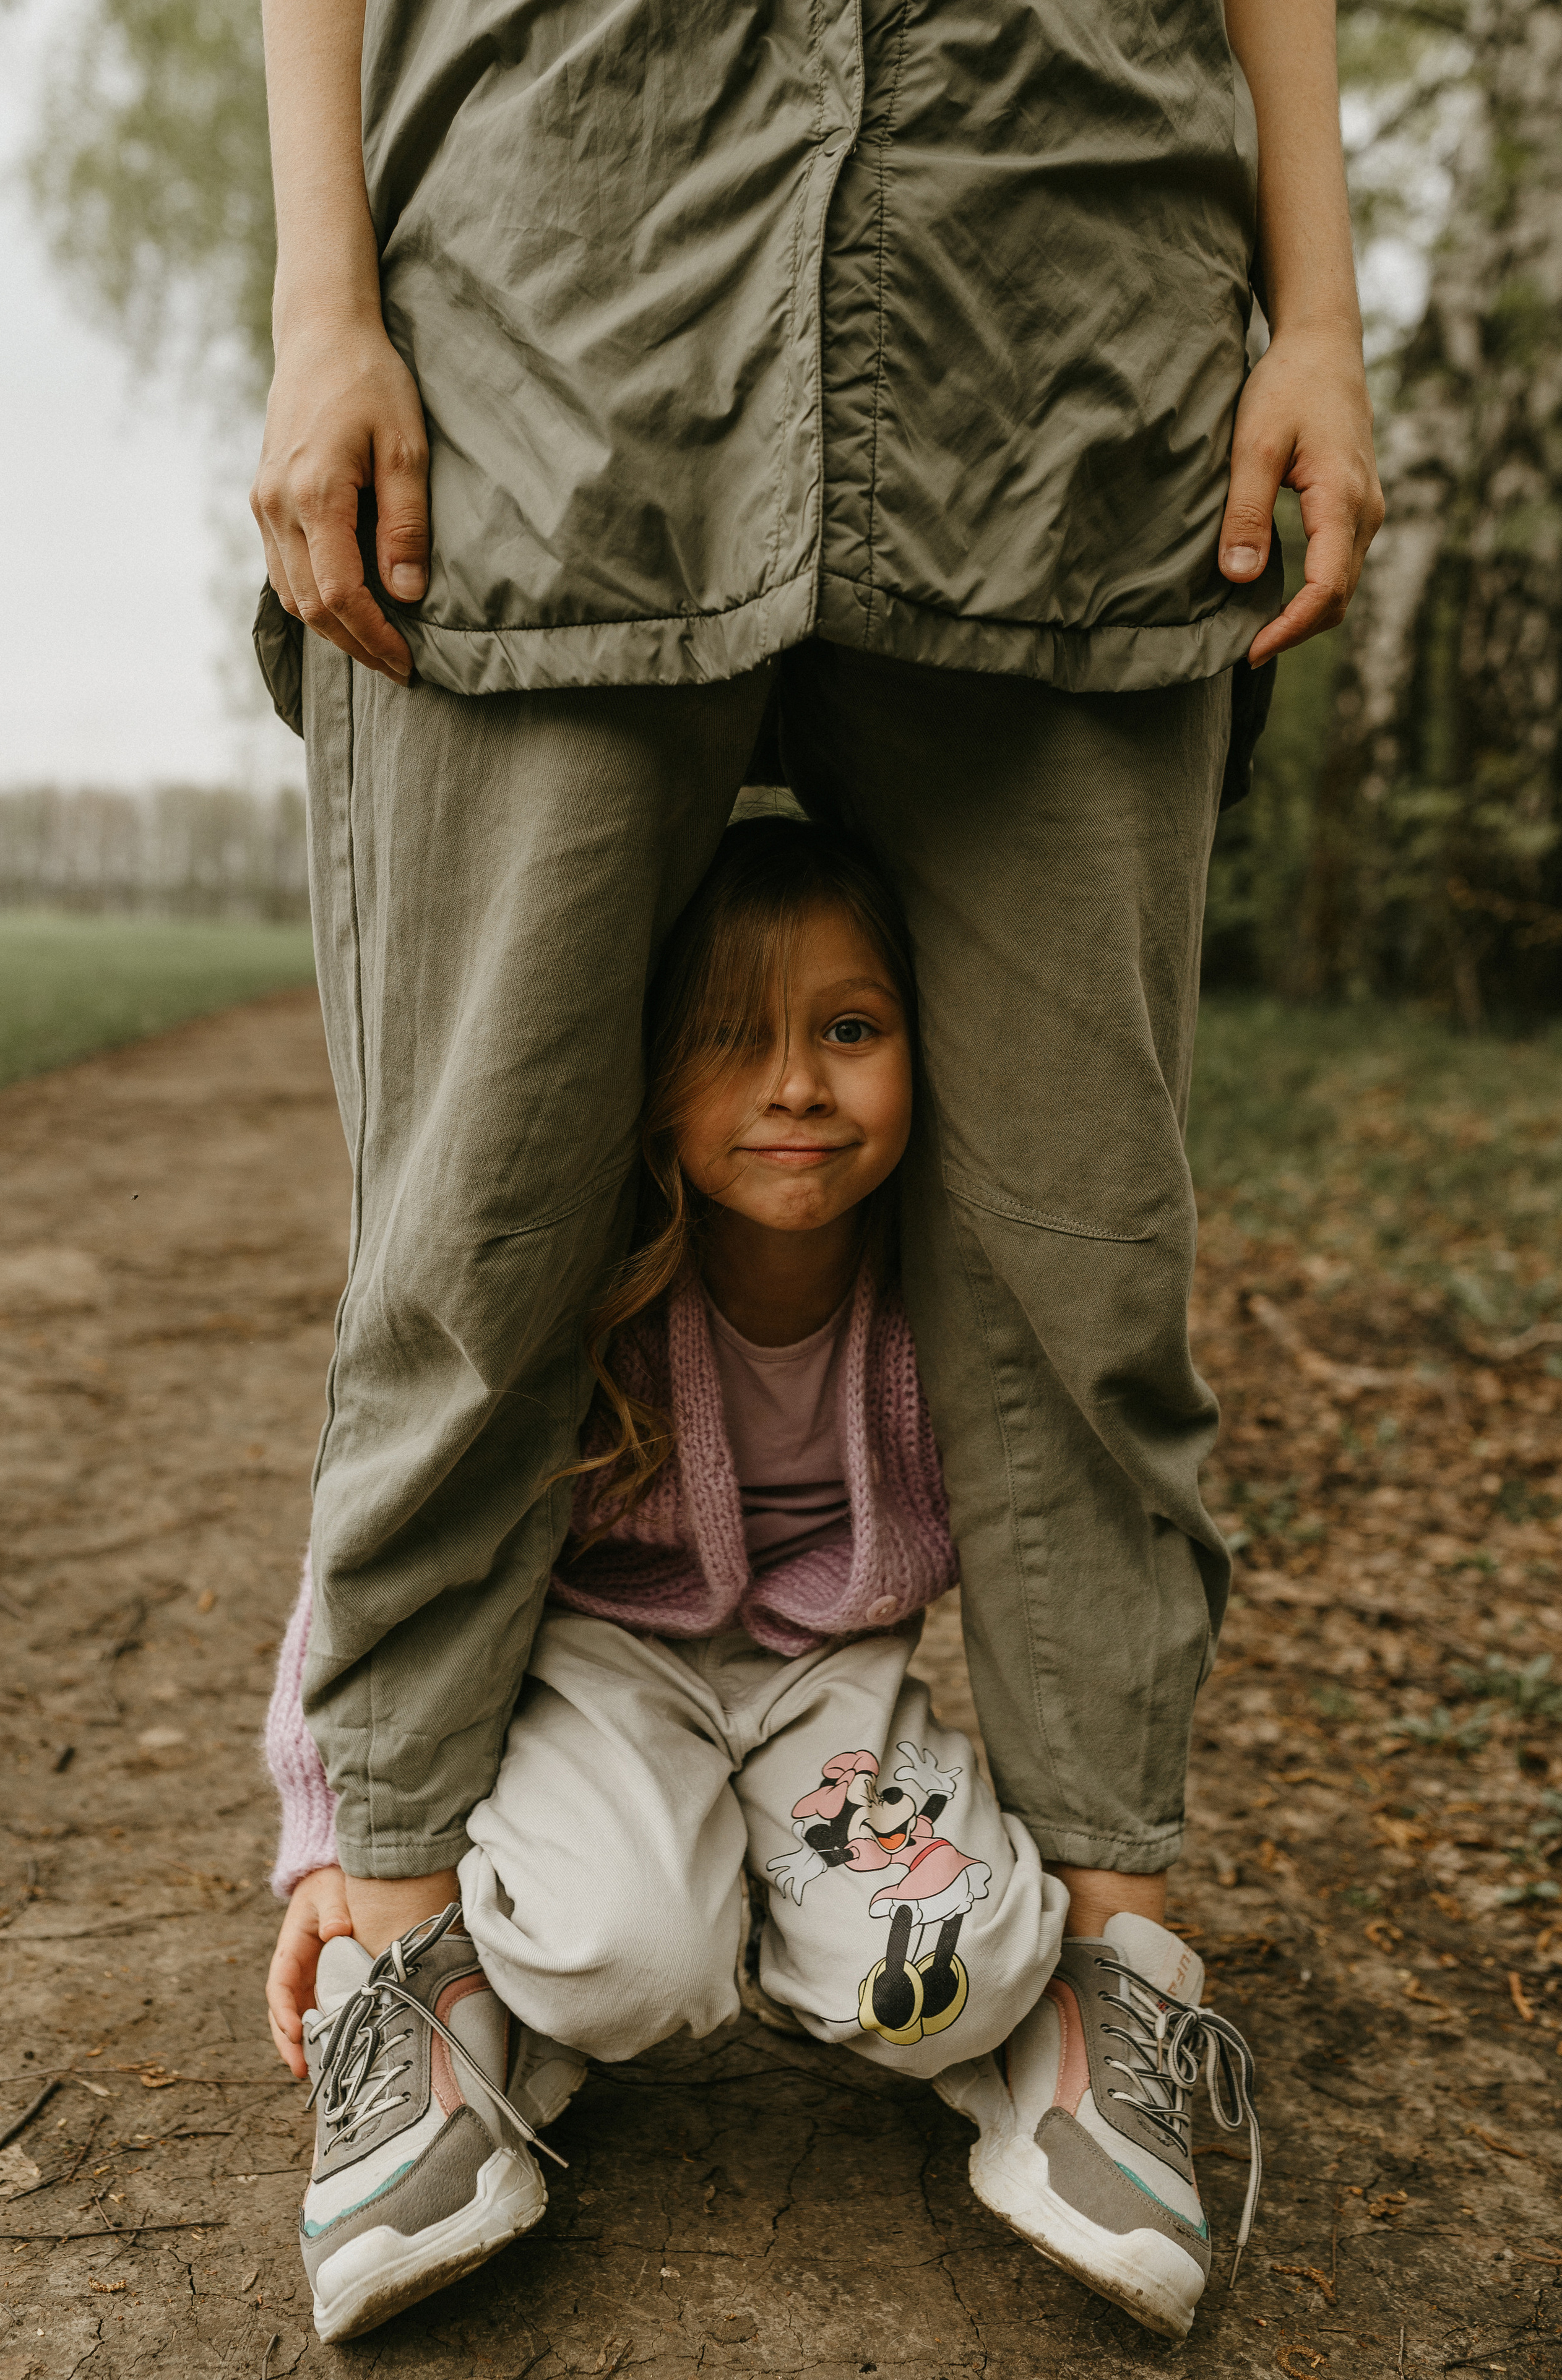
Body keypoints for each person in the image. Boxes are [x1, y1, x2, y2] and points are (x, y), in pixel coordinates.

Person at [251, 0, 1377, 2339]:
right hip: (561, 290)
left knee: (1087, 1231)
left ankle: (1116, 1970)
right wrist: (321, 299)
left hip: (1062, 295)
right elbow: (466, 1266)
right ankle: (401, 1948)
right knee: (479, 1209)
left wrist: (1324, 312)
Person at [264, 821, 1259, 2345]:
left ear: (928, 1051)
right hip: (600, 1661)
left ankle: (1014, 2044)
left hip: (823, 1676)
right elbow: (400, 1514)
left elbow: (1073, 1524)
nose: (795, 1084)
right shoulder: (594, 1277)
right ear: (652, 1071)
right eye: (731, 1039)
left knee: (962, 1972)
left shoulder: (953, 1297)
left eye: (848, 1032)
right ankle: (469, 2012)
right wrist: (332, 1832)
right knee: (620, 1965)